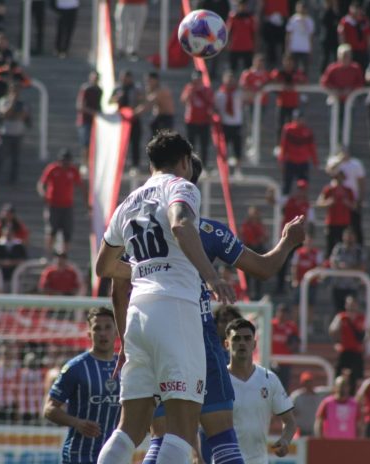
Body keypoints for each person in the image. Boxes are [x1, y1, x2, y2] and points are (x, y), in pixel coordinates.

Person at [112, 154, 305, 464]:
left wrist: (125, 342)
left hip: (148, 327)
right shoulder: (207, 231)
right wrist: (287, 242)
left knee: (159, 437)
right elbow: (264, 268)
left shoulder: (138, 229)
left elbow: (117, 285)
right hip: (196, 334)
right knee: (220, 436)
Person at [94, 131, 235, 464]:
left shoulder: (127, 203)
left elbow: (104, 266)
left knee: (129, 429)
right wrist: (212, 276)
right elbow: (181, 225)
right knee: (182, 430)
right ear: (185, 161)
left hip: (138, 317)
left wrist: (145, 269)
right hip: (175, 310)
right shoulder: (182, 186)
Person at [44, 307, 121, 462]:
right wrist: (76, 423)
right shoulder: (76, 367)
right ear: (89, 334)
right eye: (97, 328)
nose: (103, 333)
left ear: (117, 332)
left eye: (108, 327)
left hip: (114, 456)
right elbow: (49, 409)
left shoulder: (125, 367)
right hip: (78, 456)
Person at [226, 318, 296, 462]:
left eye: (247, 338)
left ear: (254, 344)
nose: (242, 343)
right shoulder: (218, 380)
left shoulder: (269, 379)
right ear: (227, 344)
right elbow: (196, 421)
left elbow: (290, 422)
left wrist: (285, 440)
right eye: (236, 339)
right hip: (225, 460)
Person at [37, 149, 85, 255]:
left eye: (67, 161)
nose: (65, 163)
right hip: (53, 205)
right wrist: (43, 194)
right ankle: (48, 254)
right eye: (63, 161)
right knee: (51, 231)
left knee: (67, 233)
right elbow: (41, 183)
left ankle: (64, 256)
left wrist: (87, 203)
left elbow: (81, 186)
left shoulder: (73, 171)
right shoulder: (53, 169)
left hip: (67, 206)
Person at [0, 83, 30, 184]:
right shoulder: (3, 101)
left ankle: (13, 181)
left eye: (17, 90)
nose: (16, 93)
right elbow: (5, 114)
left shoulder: (23, 103)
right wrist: (12, 103)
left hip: (18, 134)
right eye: (14, 90)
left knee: (15, 160)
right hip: (5, 134)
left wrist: (13, 115)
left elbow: (23, 116)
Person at [326, 148, 365, 245]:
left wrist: (360, 198)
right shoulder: (334, 161)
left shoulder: (356, 164)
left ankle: (358, 247)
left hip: (350, 198)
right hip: (337, 198)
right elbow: (329, 170)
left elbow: (361, 181)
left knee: (355, 226)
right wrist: (339, 160)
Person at [320, 44, 365, 127]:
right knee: (334, 125)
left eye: (347, 55)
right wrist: (334, 90)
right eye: (343, 56)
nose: (345, 58)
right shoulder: (332, 68)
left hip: (349, 100)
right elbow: (324, 82)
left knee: (348, 125)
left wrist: (350, 90)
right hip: (335, 99)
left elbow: (360, 83)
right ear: (338, 56)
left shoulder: (356, 68)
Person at [329, 295, 365, 393]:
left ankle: (353, 396)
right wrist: (337, 343)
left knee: (357, 377)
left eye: (353, 304)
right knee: (339, 373)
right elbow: (332, 330)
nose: (352, 306)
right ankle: (337, 392)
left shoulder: (362, 318)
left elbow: (368, 332)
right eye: (349, 304)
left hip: (357, 352)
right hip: (345, 351)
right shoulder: (341, 317)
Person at [277, 110, 318, 195]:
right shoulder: (288, 129)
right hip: (291, 161)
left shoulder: (308, 131)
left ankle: (303, 204)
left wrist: (315, 162)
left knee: (304, 185)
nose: (300, 121)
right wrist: (281, 159)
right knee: (286, 184)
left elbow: (312, 147)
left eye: (301, 119)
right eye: (298, 119)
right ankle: (285, 203)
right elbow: (284, 145)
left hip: (303, 162)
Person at [317, 170, 355, 256]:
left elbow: (354, 206)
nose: (339, 179)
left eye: (341, 177)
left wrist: (347, 203)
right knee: (330, 245)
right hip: (332, 222)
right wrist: (328, 203)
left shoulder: (348, 190)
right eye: (337, 177)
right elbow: (319, 202)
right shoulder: (329, 189)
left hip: (344, 222)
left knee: (344, 245)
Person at [111, 70, 144, 169]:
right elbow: (110, 100)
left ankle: (135, 165)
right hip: (121, 119)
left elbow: (142, 101)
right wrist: (116, 98)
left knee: (135, 142)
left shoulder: (136, 88)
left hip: (134, 118)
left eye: (126, 77)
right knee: (121, 143)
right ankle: (119, 164)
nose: (123, 80)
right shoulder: (118, 88)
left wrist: (135, 112)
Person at [329, 228, 366, 313]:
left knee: (352, 312)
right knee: (338, 312)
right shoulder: (338, 249)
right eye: (347, 236)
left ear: (355, 237)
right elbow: (333, 263)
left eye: (351, 236)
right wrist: (348, 267)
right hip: (338, 286)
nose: (349, 238)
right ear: (343, 237)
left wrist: (346, 267)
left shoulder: (359, 251)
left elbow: (362, 267)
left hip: (353, 287)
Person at [181, 71, 214, 167]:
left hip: (204, 120)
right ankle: (191, 165)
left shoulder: (207, 90)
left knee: (204, 145)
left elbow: (211, 102)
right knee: (191, 145)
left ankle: (204, 165)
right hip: (191, 120)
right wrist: (191, 91)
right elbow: (183, 100)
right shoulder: (189, 88)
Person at [269, 54, 308, 134]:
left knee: (293, 125)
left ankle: (291, 144)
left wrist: (295, 84)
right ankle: (279, 144)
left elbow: (304, 81)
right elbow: (271, 80)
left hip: (293, 103)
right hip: (282, 103)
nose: (289, 64)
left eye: (290, 62)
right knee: (280, 126)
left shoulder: (297, 73)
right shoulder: (279, 73)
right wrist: (281, 84)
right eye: (287, 62)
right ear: (283, 62)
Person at [214, 70, 244, 168]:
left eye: (232, 80)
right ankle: (222, 168)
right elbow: (216, 108)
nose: (230, 82)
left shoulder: (238, 93)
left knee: (237, 149)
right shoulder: (219, 94)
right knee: (223, 149)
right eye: (228, 80)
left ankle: (238, 170)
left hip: (236, 124)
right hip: (225, 124)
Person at [75, 71, 103, 167]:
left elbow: (98, 105)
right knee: (86, 143)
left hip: (95, 121)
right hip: (85, 121)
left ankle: (91, 163)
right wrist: (94, 113)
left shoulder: (99, 90)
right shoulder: (86, 89)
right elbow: (80, 106)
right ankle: (84, 163)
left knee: (94, 144)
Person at [137, 72, 175, 138]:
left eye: (149, 81)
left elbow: (148, 105)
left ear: (155, 80)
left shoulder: (161, 91)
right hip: (159, 118)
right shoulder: (155, 90)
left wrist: (133, 113)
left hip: (165, 119)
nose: (147, 83)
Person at [290, 371, 326, 437]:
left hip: (315, 432)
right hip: (301, 432)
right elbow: (289, 413)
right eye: (306, 382)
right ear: (302, 383)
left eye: (310, 381)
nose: (309, 384)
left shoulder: (321, 393)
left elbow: (335, 390)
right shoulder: (296, 396)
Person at [338, 2, 370, 71]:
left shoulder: (364, 21)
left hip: (363, 50)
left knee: (363, 69)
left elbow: (369, 36)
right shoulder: (346, 21)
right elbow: (341, 36)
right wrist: (344, 48)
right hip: (351, 51)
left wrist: (369, 48)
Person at [227, 0, 257, 72]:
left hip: (247, 46)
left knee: (248, 68)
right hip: (235, 46)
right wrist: (228, 43)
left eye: (244, 6)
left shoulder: (250, 17)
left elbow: (254, 32)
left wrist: (255, 44)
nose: (243, 8)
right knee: (232, 68)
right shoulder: (233, 17)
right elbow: (229, 31)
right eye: (241, 6)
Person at [285, 2, 315, 73]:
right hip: (294, 47)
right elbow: (288, 34)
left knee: (305, 69)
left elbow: (311, 36)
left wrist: (311, 49)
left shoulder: (309, 21)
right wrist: (287, 48)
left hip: (305, 48)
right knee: (294, 68)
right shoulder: (293, 19)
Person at [321, 0, 341, 71]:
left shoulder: (337, 11)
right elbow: (323, 21)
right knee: (325, 58)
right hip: (327, 38)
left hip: (335, 39)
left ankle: (336, 73)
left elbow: (339, 22)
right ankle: (323, 73)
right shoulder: (326, 11)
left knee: (336, 57)